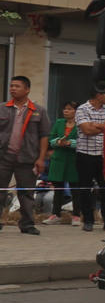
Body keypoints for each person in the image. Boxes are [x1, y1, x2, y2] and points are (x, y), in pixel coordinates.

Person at [0, 76, 52, 235]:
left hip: (28, 158)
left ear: (27, 89)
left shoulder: (39, 111)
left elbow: (44, 136)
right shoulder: (2, 108)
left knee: (27, 193)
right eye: (11, 86)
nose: (13, 89)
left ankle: (27, 224)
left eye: (17, 86)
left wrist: (41, 158)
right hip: (3, 157)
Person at [73, 83, 105, 232]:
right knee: (85, 189)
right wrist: (104, 126)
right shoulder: (82, 109)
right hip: (85, 155)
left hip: (103, 156)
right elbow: (87, 130)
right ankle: (88, 220)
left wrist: (96, 125)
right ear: (98, 95)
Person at [45, 101, 78, 223]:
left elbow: (84, 141)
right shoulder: (59, 123)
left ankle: (76, 215)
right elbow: (51, 139)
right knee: (58, 188)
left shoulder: (80, 124)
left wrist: (70, 143)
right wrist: (58, 141)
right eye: (65, 109)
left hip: (73, 159)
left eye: (69, 109)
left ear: (76, 111)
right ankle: (55, 214)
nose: (66, 111)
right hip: (58, 158)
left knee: (75, 189)